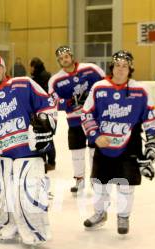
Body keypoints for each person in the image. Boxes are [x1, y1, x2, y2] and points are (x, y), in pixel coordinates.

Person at [0, 55, 57, 247]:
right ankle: (6, 226)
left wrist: (44, 121)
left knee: (29, 191)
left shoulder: (24, 84)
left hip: (28, 150)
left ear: (4, 68)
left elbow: (47, 105)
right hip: (1, 154)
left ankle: (36, 230)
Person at [81, 50, 155, 235]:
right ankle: (100, 213)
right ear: (112, 67)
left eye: (125, 66)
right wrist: (95, 136)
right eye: (118, 65)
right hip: (104, 144)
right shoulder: (99, 87)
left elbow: (150, 118)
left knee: (125, 184)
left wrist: (152, 144)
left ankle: (123, 215)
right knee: (99, 184)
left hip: (129, 145)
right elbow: (86, 114)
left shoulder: (141, 90)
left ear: (130, 68)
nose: (121, 69)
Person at [49, 46, 105, 194]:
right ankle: (79, 180)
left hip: (93, 119)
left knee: (94, 150)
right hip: (74, 121)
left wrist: (93, 97)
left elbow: (106, 86)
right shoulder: (55, 80)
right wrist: (69, 102)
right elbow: (52, 102)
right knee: (77, 152)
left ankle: (96, 180)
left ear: (72, 56)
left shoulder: (91, 69)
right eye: (60, 59)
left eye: (66, 56)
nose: (64, 60)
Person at [29, 57, 55, 170]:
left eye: (31, 66)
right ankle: (50, 161)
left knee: (43, 136)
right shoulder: (46, 75)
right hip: (48, 110)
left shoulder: (40, 78)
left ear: (35, 66)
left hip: (42, 111)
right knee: (48, 135)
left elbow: (40, 95)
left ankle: (46, 161)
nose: (30, 69)